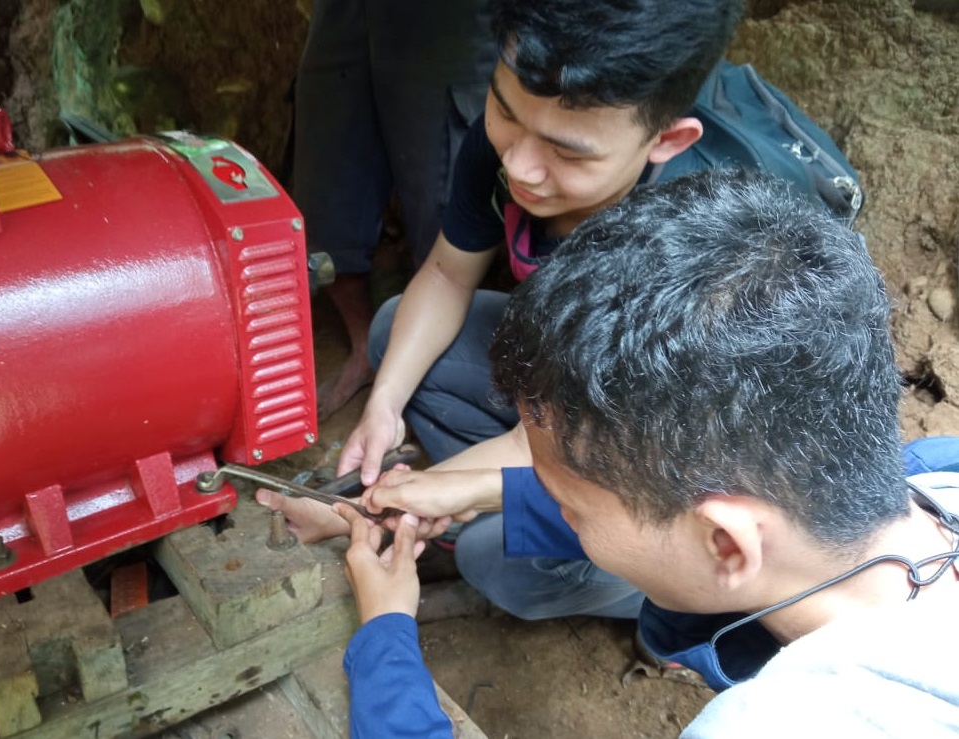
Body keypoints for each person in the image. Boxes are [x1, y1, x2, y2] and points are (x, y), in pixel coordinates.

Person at [336, 169, 959, 737]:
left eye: (572, 507)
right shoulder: (934, 470)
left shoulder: (765, 726)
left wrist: (385, 637)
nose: (555, 505)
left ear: (726, 544)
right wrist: (464, 490)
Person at [265, 0, 750, 621]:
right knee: (397, 338)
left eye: (568, 153)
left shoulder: (684, 253)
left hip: (674, 471)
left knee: (495, 557)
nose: (519, 164)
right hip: (572, 401)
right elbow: (445, 273)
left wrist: (381, 504)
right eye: (502, 110)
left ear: (667, 140)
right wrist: (383, 406)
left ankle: (671, 601)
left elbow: (546, 444)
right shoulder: (519, 139)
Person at [291, 0, 496, 420]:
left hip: (445, 20)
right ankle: (367, 350)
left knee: (443, 189)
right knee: (326, 180)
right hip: (346, 11)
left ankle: (422, 372)